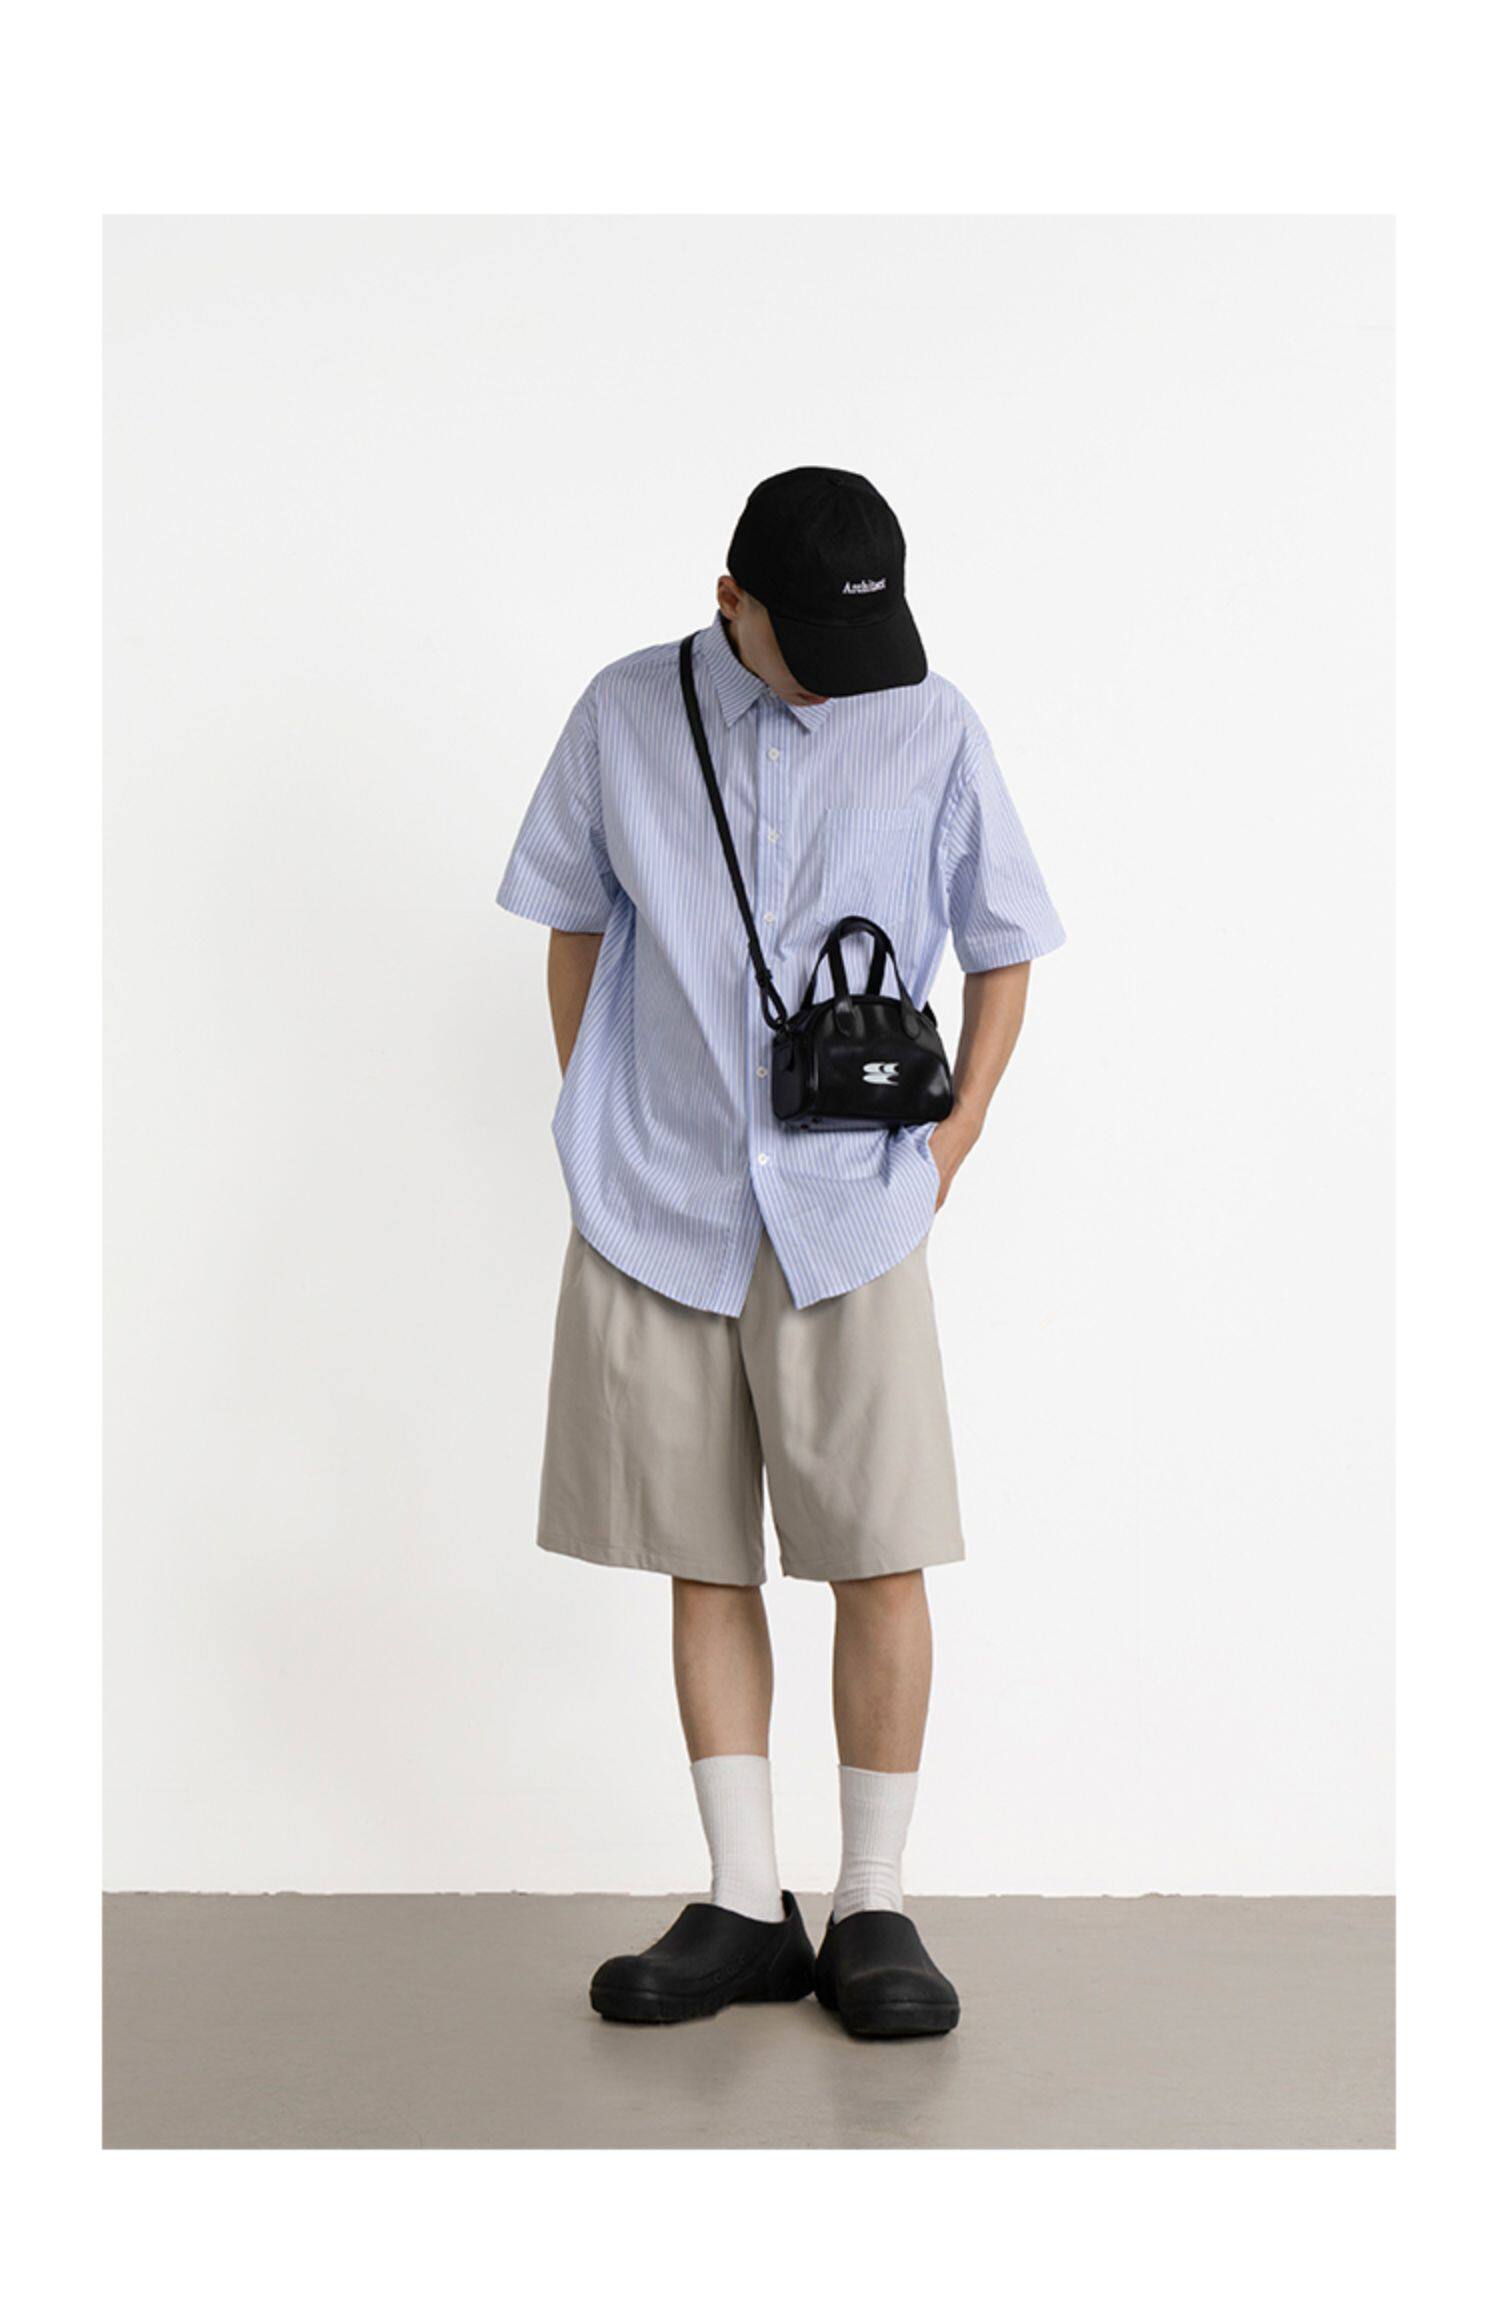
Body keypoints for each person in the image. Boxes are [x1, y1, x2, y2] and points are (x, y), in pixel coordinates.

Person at [497, 467, 1063, 2038]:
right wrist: (601, 1114)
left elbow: (1008, 942)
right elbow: (572, 921)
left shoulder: (930, 720)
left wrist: (945, 1152)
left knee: (880, 1548)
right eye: (806, 639)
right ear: (729, 599)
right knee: (703, 1550)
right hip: (660, 1201)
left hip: (850, 1204)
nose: (837, 675)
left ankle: (875, 1898)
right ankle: (747, 1903)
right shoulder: (623, 712)